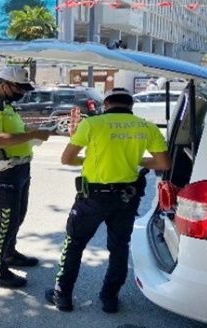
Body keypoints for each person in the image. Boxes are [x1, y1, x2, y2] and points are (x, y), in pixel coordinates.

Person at [45, 88, 170, 313]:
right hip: (126, 198)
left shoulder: (92, 124)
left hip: (92, 198)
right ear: (130, 107)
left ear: (107, 105)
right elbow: (163, 164)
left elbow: (67, 159)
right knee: (119, 246)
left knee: (74, 244)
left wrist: (91, 158)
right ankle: (110, 298)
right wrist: (136, 160)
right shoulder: (147, 127)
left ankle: (62, 296)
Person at [0, 66, 52, 288]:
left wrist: (33, 129)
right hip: (2, 172)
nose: (21, 92)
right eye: (18, 87)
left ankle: (7, 254)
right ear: (3, 85)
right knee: (4, 221)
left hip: (20, 169)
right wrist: (32, 134)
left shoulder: (7, 106)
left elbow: (16, 130)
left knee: (17, 217)